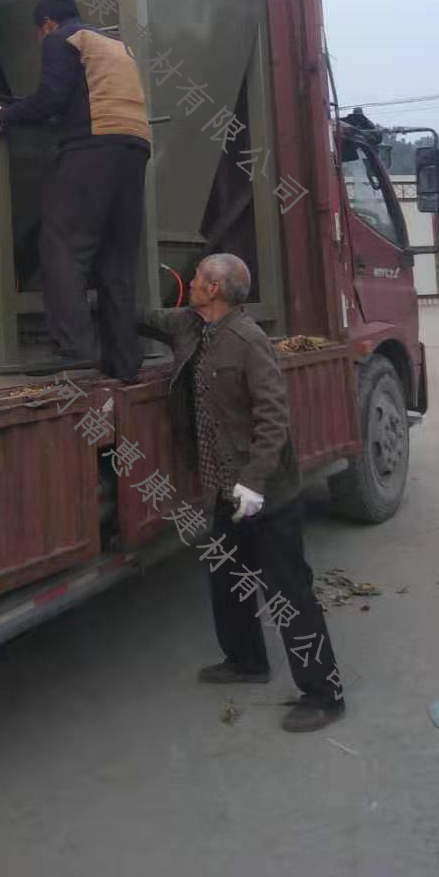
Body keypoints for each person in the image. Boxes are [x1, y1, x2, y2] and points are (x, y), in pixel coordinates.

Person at [138, 253, 346, 733]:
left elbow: (273, 419)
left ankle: (324, 694)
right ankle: (246, 660)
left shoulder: (250, 342)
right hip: (222, 488)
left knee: (289, 593)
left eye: (196, 278)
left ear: (213, 288)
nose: (189, 282)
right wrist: (97, 299)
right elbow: (149, 318)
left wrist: (253, 483)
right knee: (228, 577)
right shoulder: (189, 325)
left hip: (266, 492)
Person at [0, 0, 151, 383]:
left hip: (93, 147)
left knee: (63, 246)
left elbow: (51, 98)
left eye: (38, 34)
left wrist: (4, 117)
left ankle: (75, 351)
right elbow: (76, 100)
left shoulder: (63, 38)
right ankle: (124, 361)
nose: (40, 40)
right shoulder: (115, 45)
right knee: (117, 261)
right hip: (135, 148)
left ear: (46, 24)